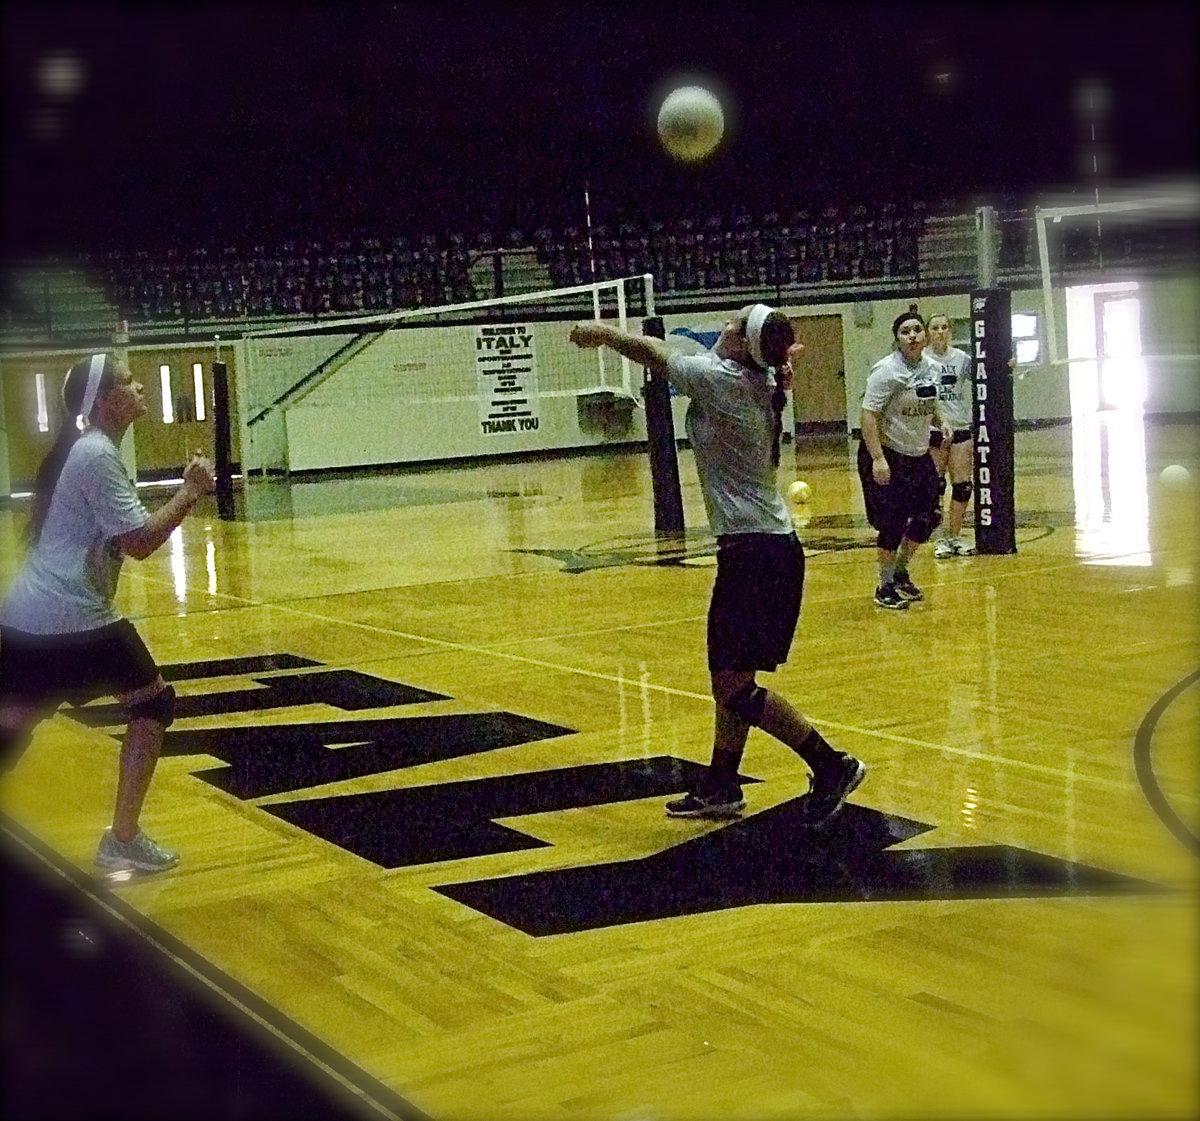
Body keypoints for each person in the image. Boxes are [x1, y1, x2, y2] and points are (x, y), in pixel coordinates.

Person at [569, 305, 866, 822]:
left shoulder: (723, 380)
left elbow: (653, 351)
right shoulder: (752, 380)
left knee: (735, 686)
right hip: (763, 550)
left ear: (740, 346)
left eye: (734, 325)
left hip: (756, 555)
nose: (725, 326)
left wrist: (604, 334)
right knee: (728, 679)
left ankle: (830, 763)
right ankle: (721, 786)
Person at [0, 353, 215, 873]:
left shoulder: (89, 451)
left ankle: (123, 836)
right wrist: (190, 491)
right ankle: (122, 838)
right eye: (128, 382)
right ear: (103, 401)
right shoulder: (96, 454)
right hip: (71, 615)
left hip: (31, 616)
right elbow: (138, 541)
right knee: (154, 705)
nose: (140, 386)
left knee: (15, 722)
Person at [858, 311, 950, 609]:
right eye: (905, 332)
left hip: (918, 454)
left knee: (929, 518)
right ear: (897, 339)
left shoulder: (932, 367)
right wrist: (878, 459)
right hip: (888, 454)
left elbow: (928, 398)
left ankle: (900, 571)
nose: (912, 336)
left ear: (925, 336)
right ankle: (884, 586)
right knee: (892, 523)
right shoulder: (886, 371)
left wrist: (941, 419)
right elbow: (868, 416)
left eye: (916, 330)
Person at [924, 313, 976, 558]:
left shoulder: (962, 359)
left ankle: (953, 536)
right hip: (933, 430)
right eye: (935, 328)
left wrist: (1007, 364)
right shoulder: (922, 360)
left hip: (960, 425)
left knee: (963, 486)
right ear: (928, 332)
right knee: (936, 485)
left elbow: (985, 374)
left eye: (945, 327)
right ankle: (938, 540)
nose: (941, 332)